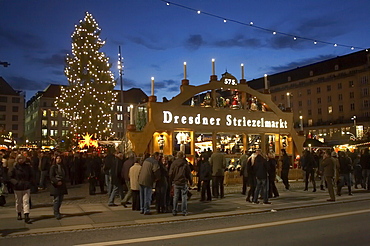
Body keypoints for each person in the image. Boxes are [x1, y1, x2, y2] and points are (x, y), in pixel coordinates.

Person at [9, 155, 33, 223]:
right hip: (18, 187)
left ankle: (26, 215)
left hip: (26, 186)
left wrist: (29, 182)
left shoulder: (27, 167)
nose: (21, 160)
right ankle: (19, 213)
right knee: (18, 201)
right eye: (19, 159)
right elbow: (10, 177)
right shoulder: (14, 167)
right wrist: (16, 183)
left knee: (26, 201)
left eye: (22, 158)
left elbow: (31, 175)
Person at [169, 151, 193, 216]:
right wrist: (190, 181)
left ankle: (174, 210)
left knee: (175, 196)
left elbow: (171, 173)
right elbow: (188, 173)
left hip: (176, 181)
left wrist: (170, 180)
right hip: (183, 181)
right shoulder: (185, 163)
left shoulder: (174, 163)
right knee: (184, 197)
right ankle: (184, 211)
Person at [50, 155, 68, 220]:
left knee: (60, 199)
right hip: (56, 185)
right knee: (56, 199)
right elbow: (51, 176)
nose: (59, 159)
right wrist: (56, 181)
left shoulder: (63, 166)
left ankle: (58, 211)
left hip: (62, 184)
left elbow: (65, 174)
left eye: (60, 158)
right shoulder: (53, 167)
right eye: (57, 158)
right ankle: (56, 212)